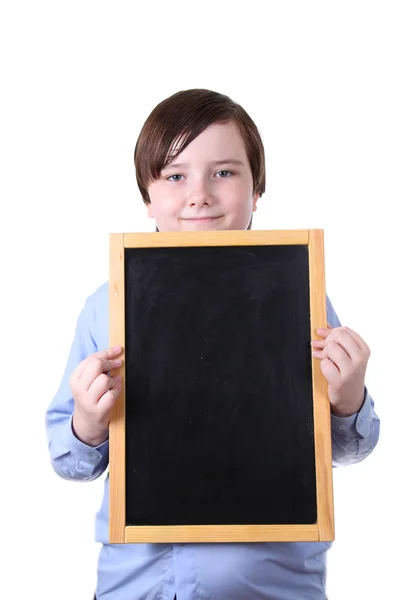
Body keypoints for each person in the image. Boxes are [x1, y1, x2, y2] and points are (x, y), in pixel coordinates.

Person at [45, 88, 380, 600]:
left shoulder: (301, 294)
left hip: (273, 587)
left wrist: (347, 396)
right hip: (140, 587)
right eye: (175, 175)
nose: (199, 194)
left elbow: (347, 447)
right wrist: (88, 424)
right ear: (146, 194)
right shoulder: (106, 305)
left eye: (224, 172)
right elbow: (69, 458)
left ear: (257, 189)